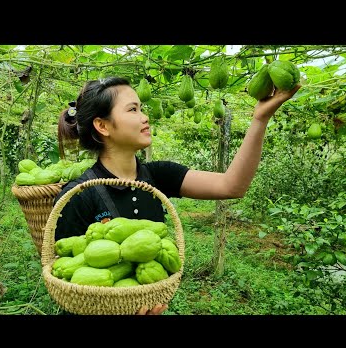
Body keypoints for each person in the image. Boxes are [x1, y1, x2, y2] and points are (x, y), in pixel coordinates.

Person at [53, 76, 301, 315]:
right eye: (133, 110)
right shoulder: (78, 194)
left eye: (142, 108)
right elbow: (69, 280)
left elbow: (232, 185)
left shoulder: (159, 175)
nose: (145, 117)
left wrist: (260, 119)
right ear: (103, 125)